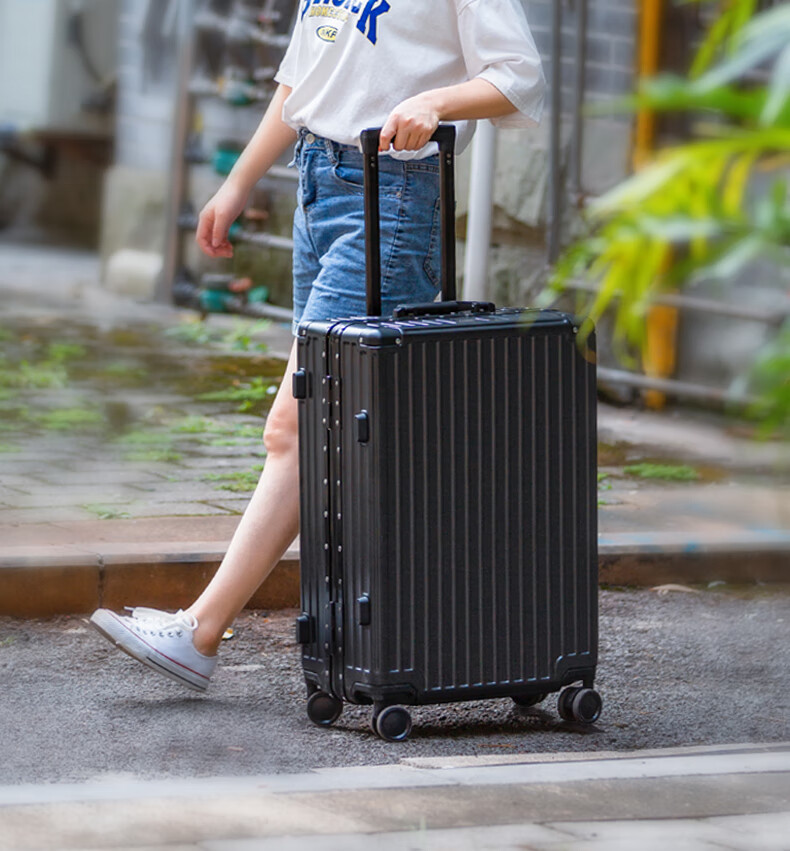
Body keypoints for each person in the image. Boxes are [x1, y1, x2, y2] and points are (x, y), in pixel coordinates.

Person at [89, 0, 546, 692]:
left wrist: (436, 101)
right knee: (332, 429)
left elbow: (518, 75)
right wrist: (238, 183)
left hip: (392, 196)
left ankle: (201, 632)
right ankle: (386, 634)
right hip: (318, 187)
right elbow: (302, 79)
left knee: (298, 423)